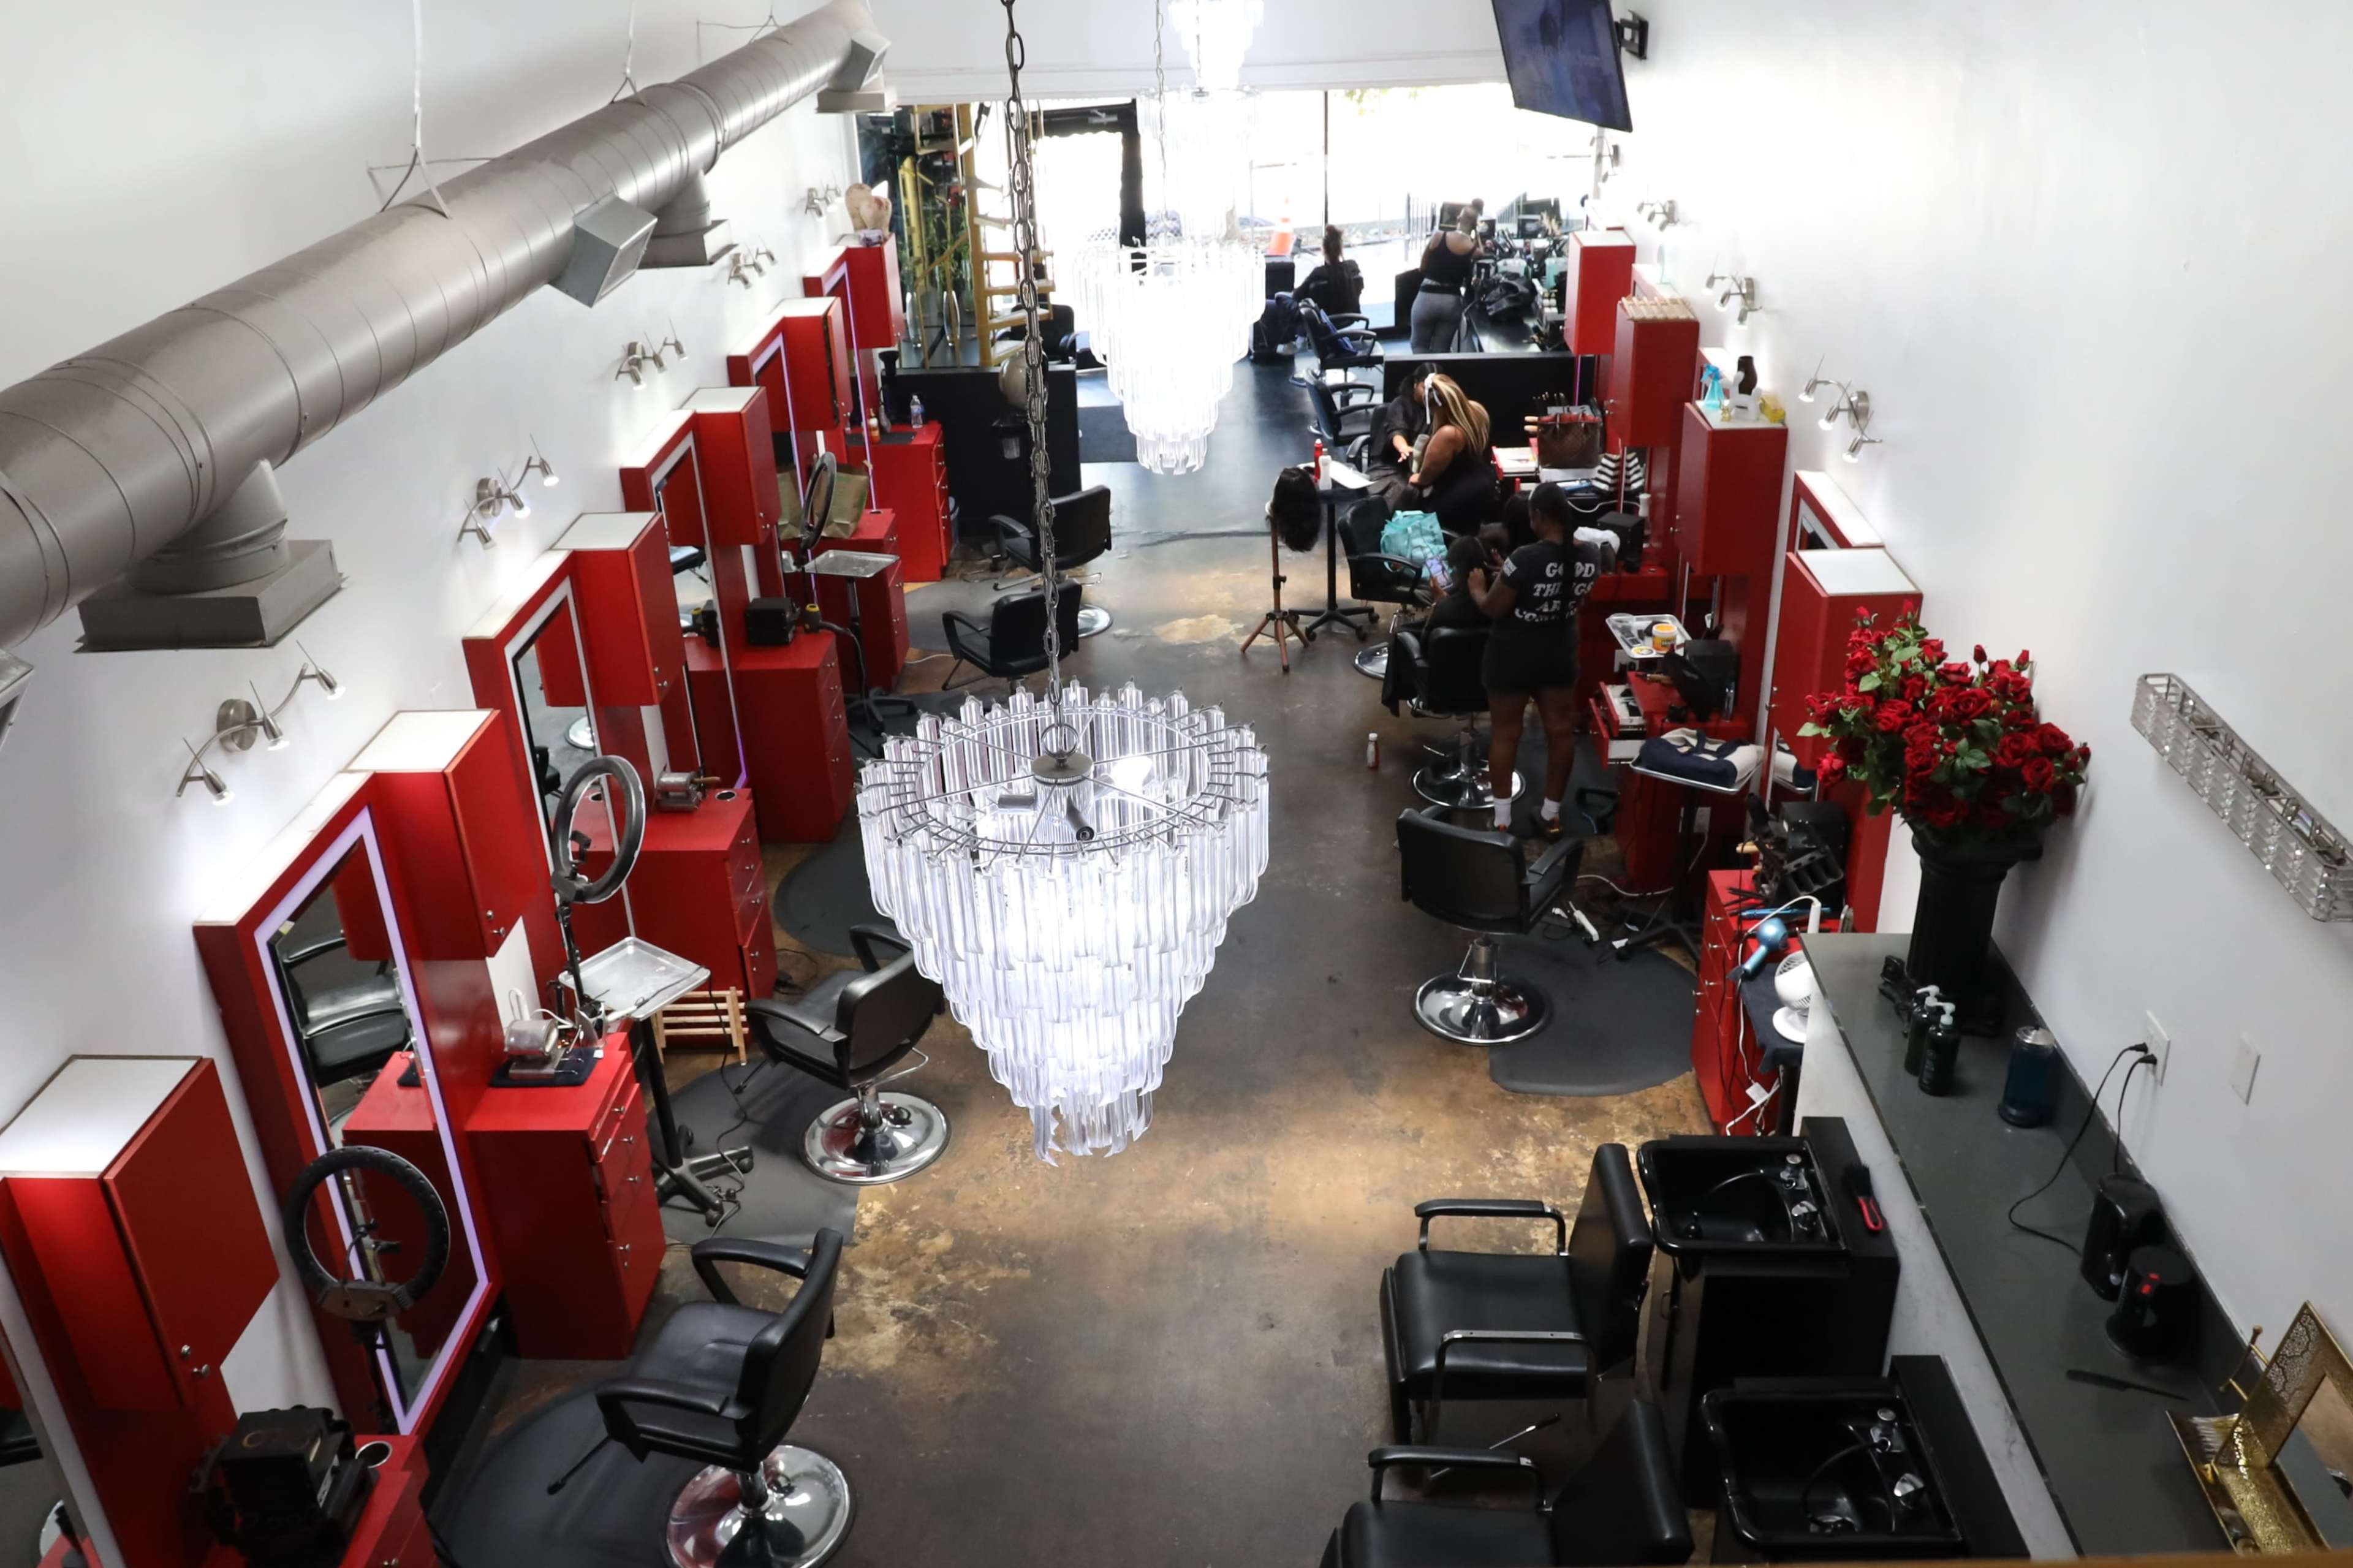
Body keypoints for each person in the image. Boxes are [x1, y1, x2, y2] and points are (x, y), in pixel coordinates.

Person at [1468, 482, 1607, 839]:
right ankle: (1551, 815)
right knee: (1560, 733)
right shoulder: (1591, 555)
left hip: (1512, 656)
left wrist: (1478, 589)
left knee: (1506, 733)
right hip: (1559, 655)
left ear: (1540, 517)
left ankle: (1501, 820)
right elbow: (1567, 594)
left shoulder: (1525, 558)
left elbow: (1494, 608)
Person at [1380, 534, 1491, 714]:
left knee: (1403, 634)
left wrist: (1438, 604)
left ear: (1455, 569)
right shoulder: (1499, 604)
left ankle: (1403, 691)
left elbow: (1426, 645)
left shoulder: (1445, 609)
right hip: (1489, 685)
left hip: (1446, 686)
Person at [1411, 374, 1498, 534]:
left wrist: (1417, 478)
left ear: (1437, 407)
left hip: (1455, 503)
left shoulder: (1448, 435)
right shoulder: (1477, 411)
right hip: (1482, 487)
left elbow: (1426, 478)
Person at [1411, 206, 1482, 352]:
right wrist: (1477, 234)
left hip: (1427, 298)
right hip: (1451, 302)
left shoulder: (1438, 236)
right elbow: (1481, 253)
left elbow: (1422, 268)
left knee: (1419, 346)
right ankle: (1439, 374)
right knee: (1441, 351)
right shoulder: (1470, 247)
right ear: (1474, 224)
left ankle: (1423, 374)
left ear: (1458, 219)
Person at [1295, 225, 1363, 319]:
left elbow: (1297, 296)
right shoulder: (1352, 267)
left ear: (1323, 250)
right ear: (1340, 249)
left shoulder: (1318, 273)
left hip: (1322, 321)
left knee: (1280, 299)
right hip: (1349, 316)